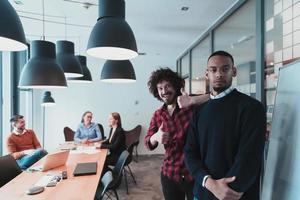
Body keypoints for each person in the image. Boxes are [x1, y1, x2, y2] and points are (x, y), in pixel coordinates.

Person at [184, 51, 266, 200]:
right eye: (213, 70)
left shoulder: (252, 108)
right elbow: (190, 152)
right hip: (202, 192)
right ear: (207, 73)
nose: (219, 74)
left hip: (235, 195)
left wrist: (224, 192)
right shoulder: (199, 111)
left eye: (225, 69)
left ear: (233, 72)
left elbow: (249, 158)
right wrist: (209, 183)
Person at [144, 68, 209, 200]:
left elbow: (214, 97)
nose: (164, 91)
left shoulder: (190, 103)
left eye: (167, 86)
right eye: (160, 88)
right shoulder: (158, 114)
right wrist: (155, 137)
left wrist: (192, 101)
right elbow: (147, 142)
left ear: (176, 86)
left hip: (194, 173)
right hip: (170, 173)